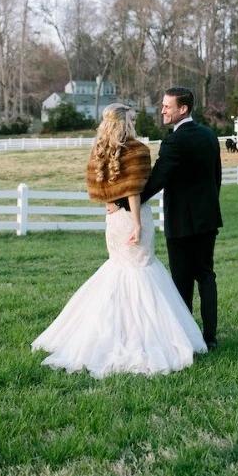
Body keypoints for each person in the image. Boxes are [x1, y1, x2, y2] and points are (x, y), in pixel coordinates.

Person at [31, 103, 207, 378]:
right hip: (130, 218)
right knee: (140, 272)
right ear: (125, 122)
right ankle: (143, 336)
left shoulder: (100, 150)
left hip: (112, 220)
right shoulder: (136, 150)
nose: (135, 123)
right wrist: (136, 222)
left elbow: (101, 187)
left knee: (118, 272)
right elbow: (134, 192)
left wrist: (111, 203)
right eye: (133, 119)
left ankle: (115, 331)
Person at [140, 87, 222, 350]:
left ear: (182, 109)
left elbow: (156, 180)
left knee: (182, 282)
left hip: (181, 223)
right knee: (206, 276)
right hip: (207, 219)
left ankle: (186, 337)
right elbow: (216, 178)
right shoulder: (210, 135)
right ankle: (210, 337)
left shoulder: (173, 142)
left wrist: (126, 202)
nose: (162, 110)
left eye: (167, 106)